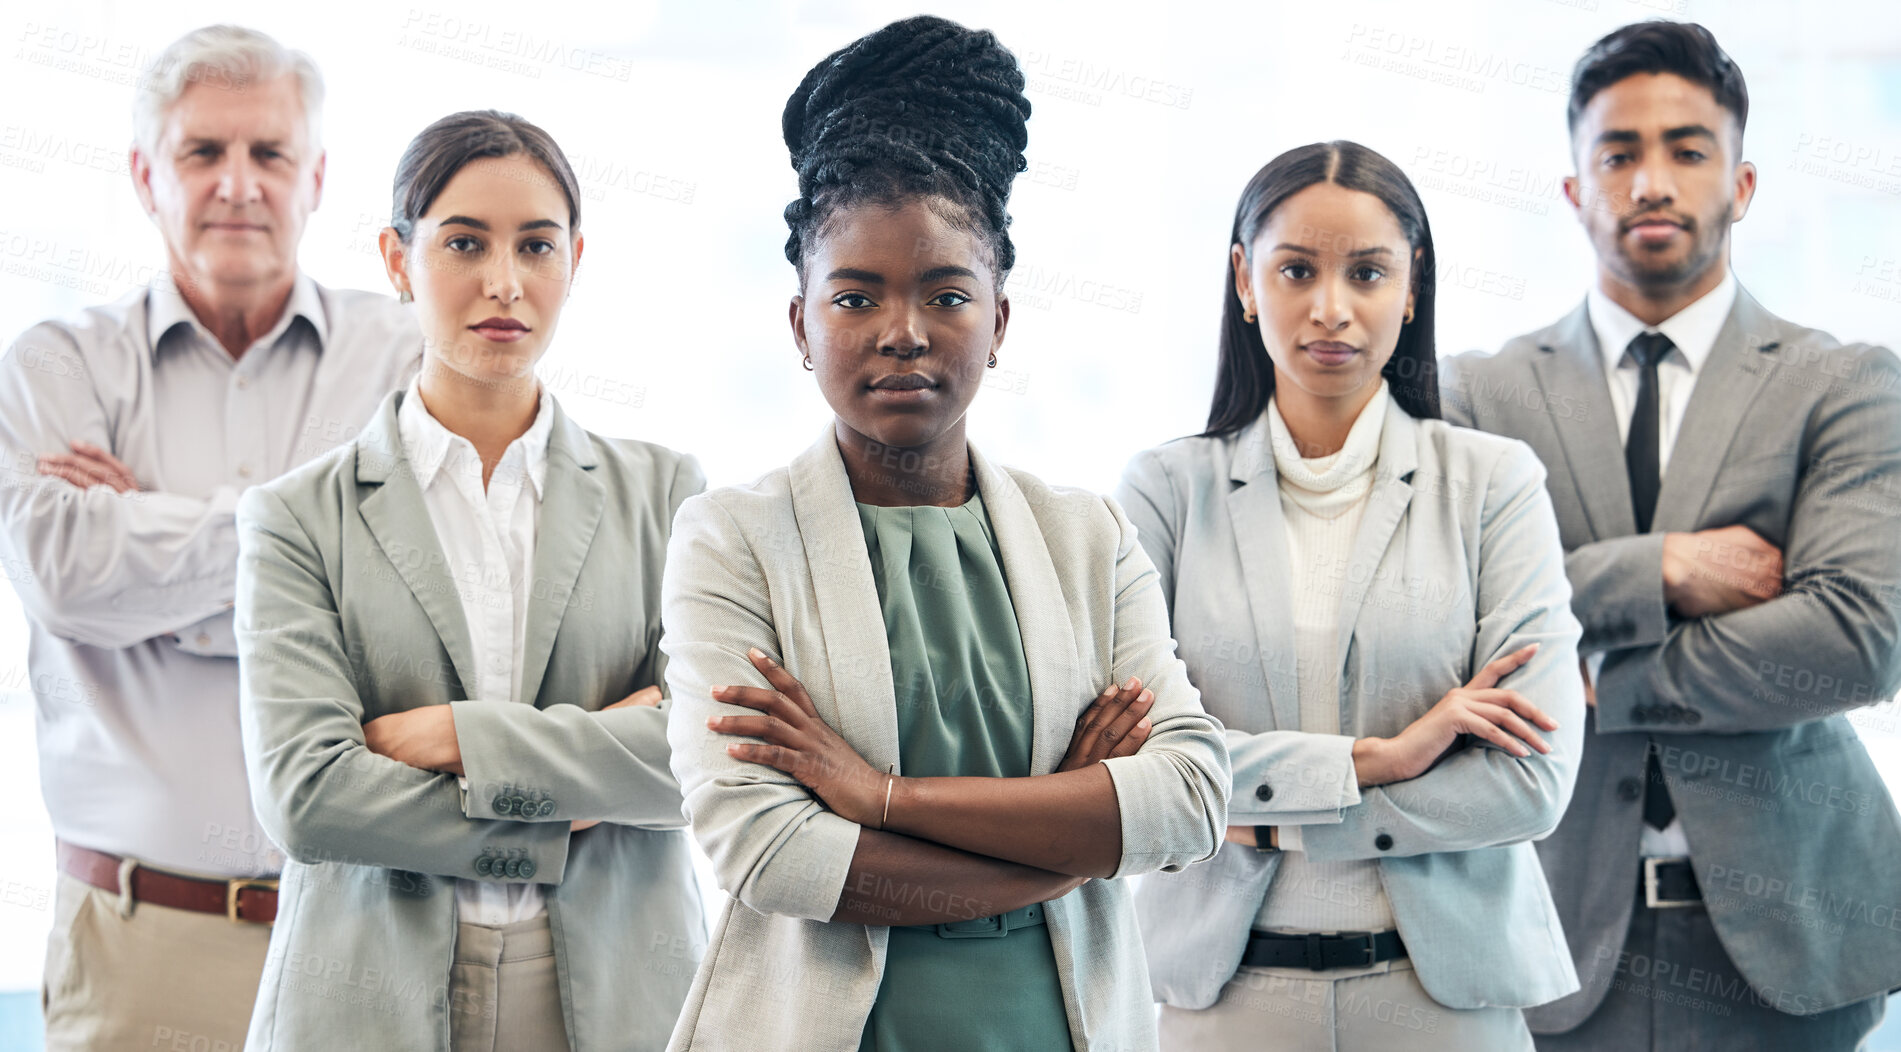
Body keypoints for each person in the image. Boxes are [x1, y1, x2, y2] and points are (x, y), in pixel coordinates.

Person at [659, 16, 1230, 1051]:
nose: (903, 331)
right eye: (855, 295)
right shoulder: (731, 539)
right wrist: (1072, 835)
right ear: (799, 323)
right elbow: (769, 849)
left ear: (999, 321)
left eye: (946, 293)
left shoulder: (1083, 535)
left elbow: (1189, 792)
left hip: (1054, 1024)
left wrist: (880, 796)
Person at [1441, 20, 1901, 1051]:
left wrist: (1591, 668)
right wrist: (1666, 568)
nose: (1650, 180)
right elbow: (1453, 630)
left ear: (1739, 184)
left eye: (1686, 150)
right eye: (1617, 152)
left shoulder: (1840, 382)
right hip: (1548, 940)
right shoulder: (1477, 392)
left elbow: (1856, 637)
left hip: (1793, 943)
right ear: (1573, 189)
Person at [234, 110, 705, 1052]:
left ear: (575, 259)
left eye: (536, 245)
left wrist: (460, 737)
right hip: (370, 996)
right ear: (397, 259)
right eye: (463, 242)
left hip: (617, 995)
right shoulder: (296, 517)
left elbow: (702, 755)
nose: (504, 283)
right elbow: (308, 797)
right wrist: (559, 810)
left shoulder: (665, 493)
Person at [0, 25, 419, 1049]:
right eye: (202, 152)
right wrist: (312, 552)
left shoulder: (408, 354)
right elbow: (65, 580)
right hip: (137, 946)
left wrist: (149, 556)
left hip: (369, 928)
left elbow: (421, 606)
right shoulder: (57, 366)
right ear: (147, 176)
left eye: (269, 153)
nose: (238, 183)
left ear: (316, 177)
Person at [1119, 141, 1585, 1050]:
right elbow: (1132, 762)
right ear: (1244, 281)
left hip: (1442, 1002)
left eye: (1367, 272)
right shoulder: (1165, 492)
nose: (1330, 308)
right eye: (1296, 269)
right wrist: (1380, 758)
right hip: (1221, 1004)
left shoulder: (1493, 484)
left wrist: (1266, 824)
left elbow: (1529, 782)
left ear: (1410, 290)